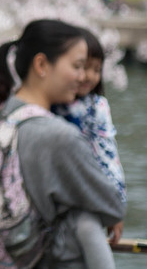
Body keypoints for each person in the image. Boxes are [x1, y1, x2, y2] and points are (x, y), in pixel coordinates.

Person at [0, 19, 126, 269]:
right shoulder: (60, 136)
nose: (83, 77)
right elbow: (111, 205)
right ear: (41, 64)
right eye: (77, 66)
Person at [52, 28, 126, 269]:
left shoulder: (97, 107)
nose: (88, 76)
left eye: (96, 69)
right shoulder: (53, 104)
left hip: (89, 197)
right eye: (82, 67)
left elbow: (108, 155)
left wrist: (116, 206)